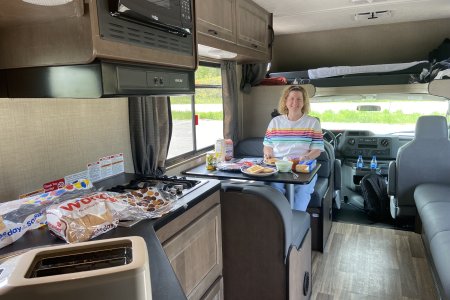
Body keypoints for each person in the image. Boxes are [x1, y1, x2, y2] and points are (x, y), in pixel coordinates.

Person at [263, 85, 324, 211]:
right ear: (285, 101)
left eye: (299, 99)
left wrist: (307, 157)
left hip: (302, 166)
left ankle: (296, 225)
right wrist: (268, 154)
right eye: (291, 98)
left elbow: (317, 150)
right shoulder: (275, 122)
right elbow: (267, 145)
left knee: (300, 192)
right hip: (278, 167)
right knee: (274, 189)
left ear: (304, 102)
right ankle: (278, 223)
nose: (294, 103)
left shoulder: (312, 123)